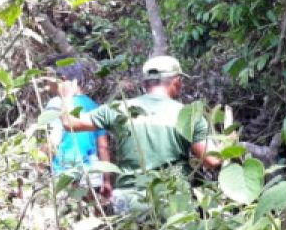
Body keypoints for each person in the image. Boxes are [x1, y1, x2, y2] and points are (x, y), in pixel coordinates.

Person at [56, 54, 220, 214]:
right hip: (173, 200)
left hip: (128, 200)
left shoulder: (117, 109)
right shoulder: (188, 115)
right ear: (176, 81)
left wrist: (66, 96)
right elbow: (211, 161)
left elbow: (70, 123)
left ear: (145, 83)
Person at [43, 60, 111, 202]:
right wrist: (107, 180)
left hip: (65, 172)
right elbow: (103, 146)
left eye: (48, 78)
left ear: (62, 80)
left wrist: (38, 164)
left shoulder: (57, 104)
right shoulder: (94, 106)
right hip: (92, 174)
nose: (47, 85)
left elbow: (53, 140)